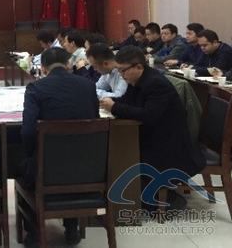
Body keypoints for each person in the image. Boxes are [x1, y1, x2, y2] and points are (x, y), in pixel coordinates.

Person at [100, 46, 205, 207]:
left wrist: (114, 107)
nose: (121, 74)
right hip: (153, 135)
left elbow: (149, 115)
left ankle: (167, 200)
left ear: (138, 66)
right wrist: (109, 104)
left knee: (122, 153)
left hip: (167, 143)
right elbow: (128, 102)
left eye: (123, 70)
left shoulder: (155, 83)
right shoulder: (137, 79)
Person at [21, 48, 98, 247]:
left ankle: (34, 233)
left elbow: (28, 132)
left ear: (43, 68)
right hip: (87, 167)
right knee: (70, 163)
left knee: (25, 168)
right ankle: (71, 228)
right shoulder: (88, 85)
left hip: (47, 168)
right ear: (69, 64)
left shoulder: (36, 88)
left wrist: (31, 156)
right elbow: (95, 121)